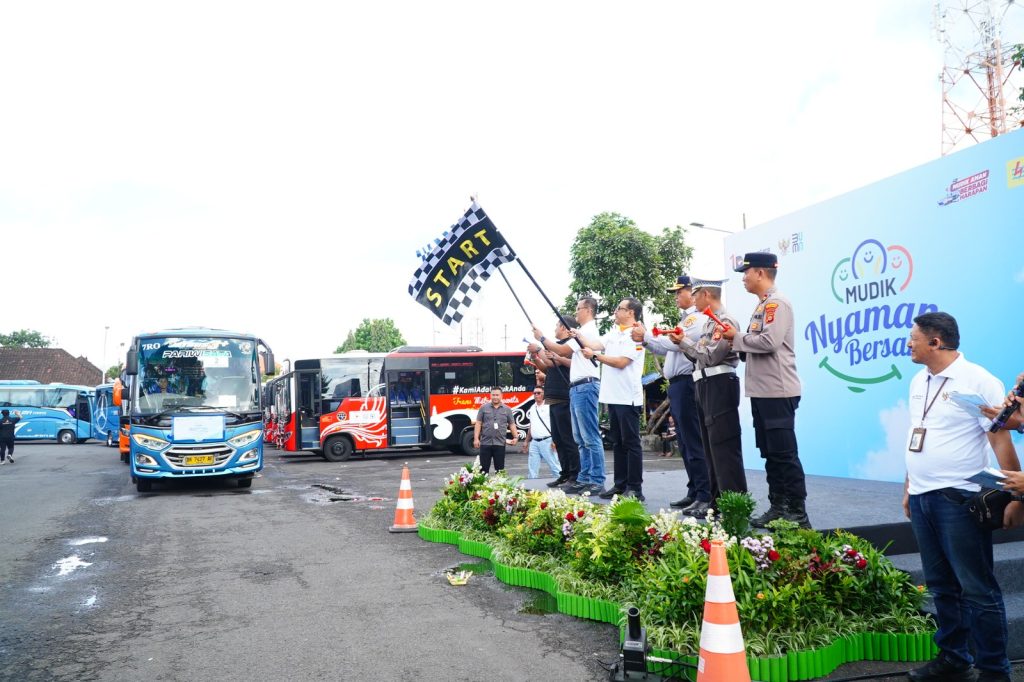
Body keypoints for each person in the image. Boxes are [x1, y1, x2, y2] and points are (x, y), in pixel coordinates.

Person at [901, 312, 1022, 682]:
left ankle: (993, 671)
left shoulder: (980, 380)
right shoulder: (919, 380)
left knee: (977, 588)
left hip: (960, 498)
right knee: (940, 585)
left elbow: (1000, 435)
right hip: (922, 497)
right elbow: (917, 431)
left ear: (936, 342)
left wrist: (1016, 497)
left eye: (914, 338)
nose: (909, 344)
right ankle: (953, 657)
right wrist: (909, 486)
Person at [722, 252, 809, 528]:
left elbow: (769, 342)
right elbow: (756, 344)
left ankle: (797, 511)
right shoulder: (762, 306)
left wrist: (735, 338)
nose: (743, 279)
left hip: (778, 389)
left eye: (746, 273)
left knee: (784, 452)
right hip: (762, 390)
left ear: (760, 272)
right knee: (770, 452)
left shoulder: (777, 304)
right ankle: (778, 506)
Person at [632, 274, 712, 510]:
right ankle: (694, 489)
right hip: (677, 384)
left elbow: (672, 343)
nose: (677, 297)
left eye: (680, 292)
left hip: (688, 382)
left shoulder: (696, 319)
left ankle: (704, 492)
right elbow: (663, 348)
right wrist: (645, 340)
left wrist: (646, 335)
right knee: (685, 441)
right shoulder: (685, 319)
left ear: (694, 292)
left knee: (693, 439)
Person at [677, 279, 745, 517]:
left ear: (706, 294)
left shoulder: (724, 321)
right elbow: (701, 355)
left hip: (719, 382)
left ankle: (734, 503)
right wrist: (687, 345)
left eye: (695, 295)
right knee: (709, 446)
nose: (693, 299)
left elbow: (710, 356)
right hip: (705, 382)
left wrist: (683, 343)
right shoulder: (709, 323)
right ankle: (715, 502)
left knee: (723, 446)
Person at [533, 297, 604, 495]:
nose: (576, 313)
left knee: (589, 437)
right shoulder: (580, 332)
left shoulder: (588, 331)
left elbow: (562, 350)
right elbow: (559, 355)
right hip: (576, 387)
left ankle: (596, 479)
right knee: (580, 438)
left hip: (586, 385)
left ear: (588, 310)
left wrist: (541, 338)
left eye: (579, 309)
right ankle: (584, 477)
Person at [579, 297, 646, 501]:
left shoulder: (637, 334)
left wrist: (595, 356)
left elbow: (621, 362)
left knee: (631, 442)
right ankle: (620, 484)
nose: (616, 311)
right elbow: (595, 343)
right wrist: (578, 335)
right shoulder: (615, 332)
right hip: (613, 396)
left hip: (628, 396)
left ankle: (635, 488)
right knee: (617, 442)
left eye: (620, 308)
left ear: (631, 313)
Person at [528, 316, 581, 488]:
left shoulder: (568, 345)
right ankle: (564, 473)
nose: (555, 329)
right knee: (558, 438)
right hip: (553, 397)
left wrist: (539, 345)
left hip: (564, 395)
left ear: (566, 328)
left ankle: (575, 474)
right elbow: (547, 367)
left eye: (557, 326)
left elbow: (552, 360)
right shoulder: (558, 346)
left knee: (567, 438)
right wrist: (535, 356)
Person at [473, 387, 519, 474]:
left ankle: (499, 487)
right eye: (493, 395)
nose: (495, 397)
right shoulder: (483, 408)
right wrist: (476, 439)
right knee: (483, 470)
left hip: (500, 443)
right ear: (490, 395)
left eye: (497, 395)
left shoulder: (507, 409)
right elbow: (478, 423)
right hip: (485, 443)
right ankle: (483, 487)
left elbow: (512, 424)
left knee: (500, 470)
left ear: (501, 396)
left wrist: (516, 437)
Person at [524, 388, 561, 479]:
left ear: (544, 394)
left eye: (539, 393)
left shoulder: (549, 406)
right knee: (532, 469)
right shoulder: (533, 407)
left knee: (555, 467)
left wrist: (555, 440)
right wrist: (526, 441)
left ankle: (561, 484)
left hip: (547, 441)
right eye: (535, 393)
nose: (536, 395)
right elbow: (531, 425)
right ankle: (531, 488)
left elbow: (556, 424)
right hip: (534, 442)